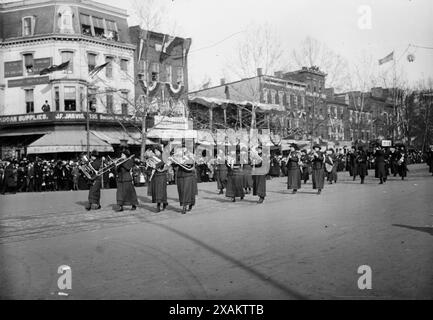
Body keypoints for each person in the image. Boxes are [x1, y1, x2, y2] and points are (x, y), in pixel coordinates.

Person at [174, 147, 197, 214]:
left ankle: (185, 205)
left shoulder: (190, 155)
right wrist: (174, 161)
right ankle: (185, 204)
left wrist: (185, 160)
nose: (182, 149)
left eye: (183, 148)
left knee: (187, 191)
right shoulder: (178, 154)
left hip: (188, 175)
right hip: (180, 174)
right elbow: (174, 164)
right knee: (181, 190)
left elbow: (193, 163)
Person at [146, 148, 168, 212]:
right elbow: (150, 167)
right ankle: (162, 203)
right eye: (155, 151)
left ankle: (160, 205)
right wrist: (149, 165)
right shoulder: (153, 158)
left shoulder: (163, 157)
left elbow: (163, 163)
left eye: (156, 151)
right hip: (155, 176)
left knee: (161, 191)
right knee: (156, 191)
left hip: (162, 176)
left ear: (160, 151)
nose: (155, 152)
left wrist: (155, 165)